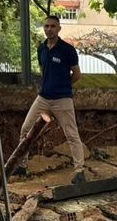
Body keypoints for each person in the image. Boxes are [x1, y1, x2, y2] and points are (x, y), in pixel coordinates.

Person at [18, 14, 87, 184]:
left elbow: (77, 75)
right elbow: (44, 70)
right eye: (47, 26)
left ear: (59, 28)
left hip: (63, 99)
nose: (49, 29)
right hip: (43, 98)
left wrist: (63, 85)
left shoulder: (67, 50)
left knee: (72, 135)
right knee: (25, 129)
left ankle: (79, 171)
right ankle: (21, 166)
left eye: (53, 26)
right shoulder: (41, 49)